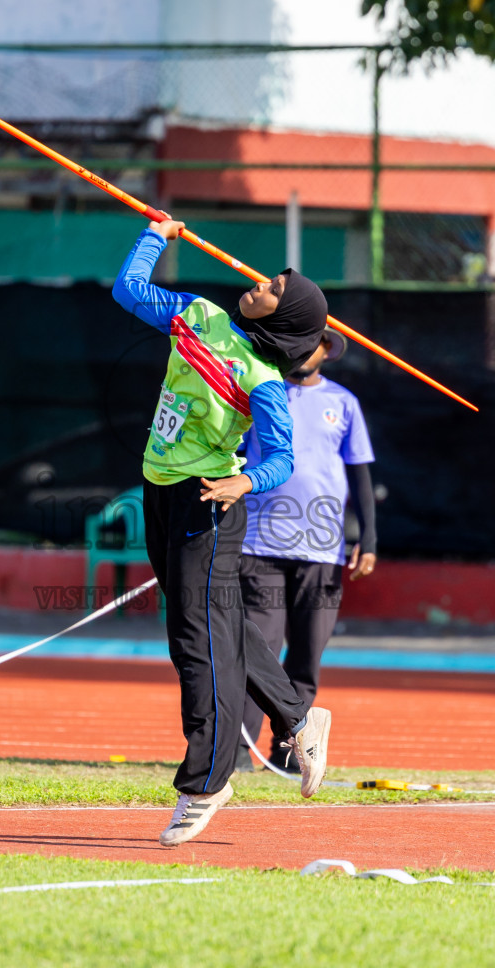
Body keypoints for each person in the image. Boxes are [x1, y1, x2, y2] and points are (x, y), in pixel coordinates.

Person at [113, 217, 331, 847]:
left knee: (195, 641)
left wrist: (247, 482)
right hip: (160, 491)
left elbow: (282, 459)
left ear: (281, 316)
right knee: (219, 625)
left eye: (273, 286)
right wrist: (158, 236)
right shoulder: (200, 316)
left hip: (210, 503)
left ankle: (206, 781)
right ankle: (296, 717)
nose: (258, 282)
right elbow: (129, 291)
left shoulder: (264, 383)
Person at [235, 328, 376, 774]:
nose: (306, 350)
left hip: (323, 550)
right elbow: (232, 456)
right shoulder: (261, 391)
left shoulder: (345, 403)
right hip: (259, 544)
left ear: (327, 352)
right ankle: (238, 755)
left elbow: (361, 477)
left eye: (316, 343)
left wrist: (368, 540)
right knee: (259, 650)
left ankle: (290, 751)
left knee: (307, 654)